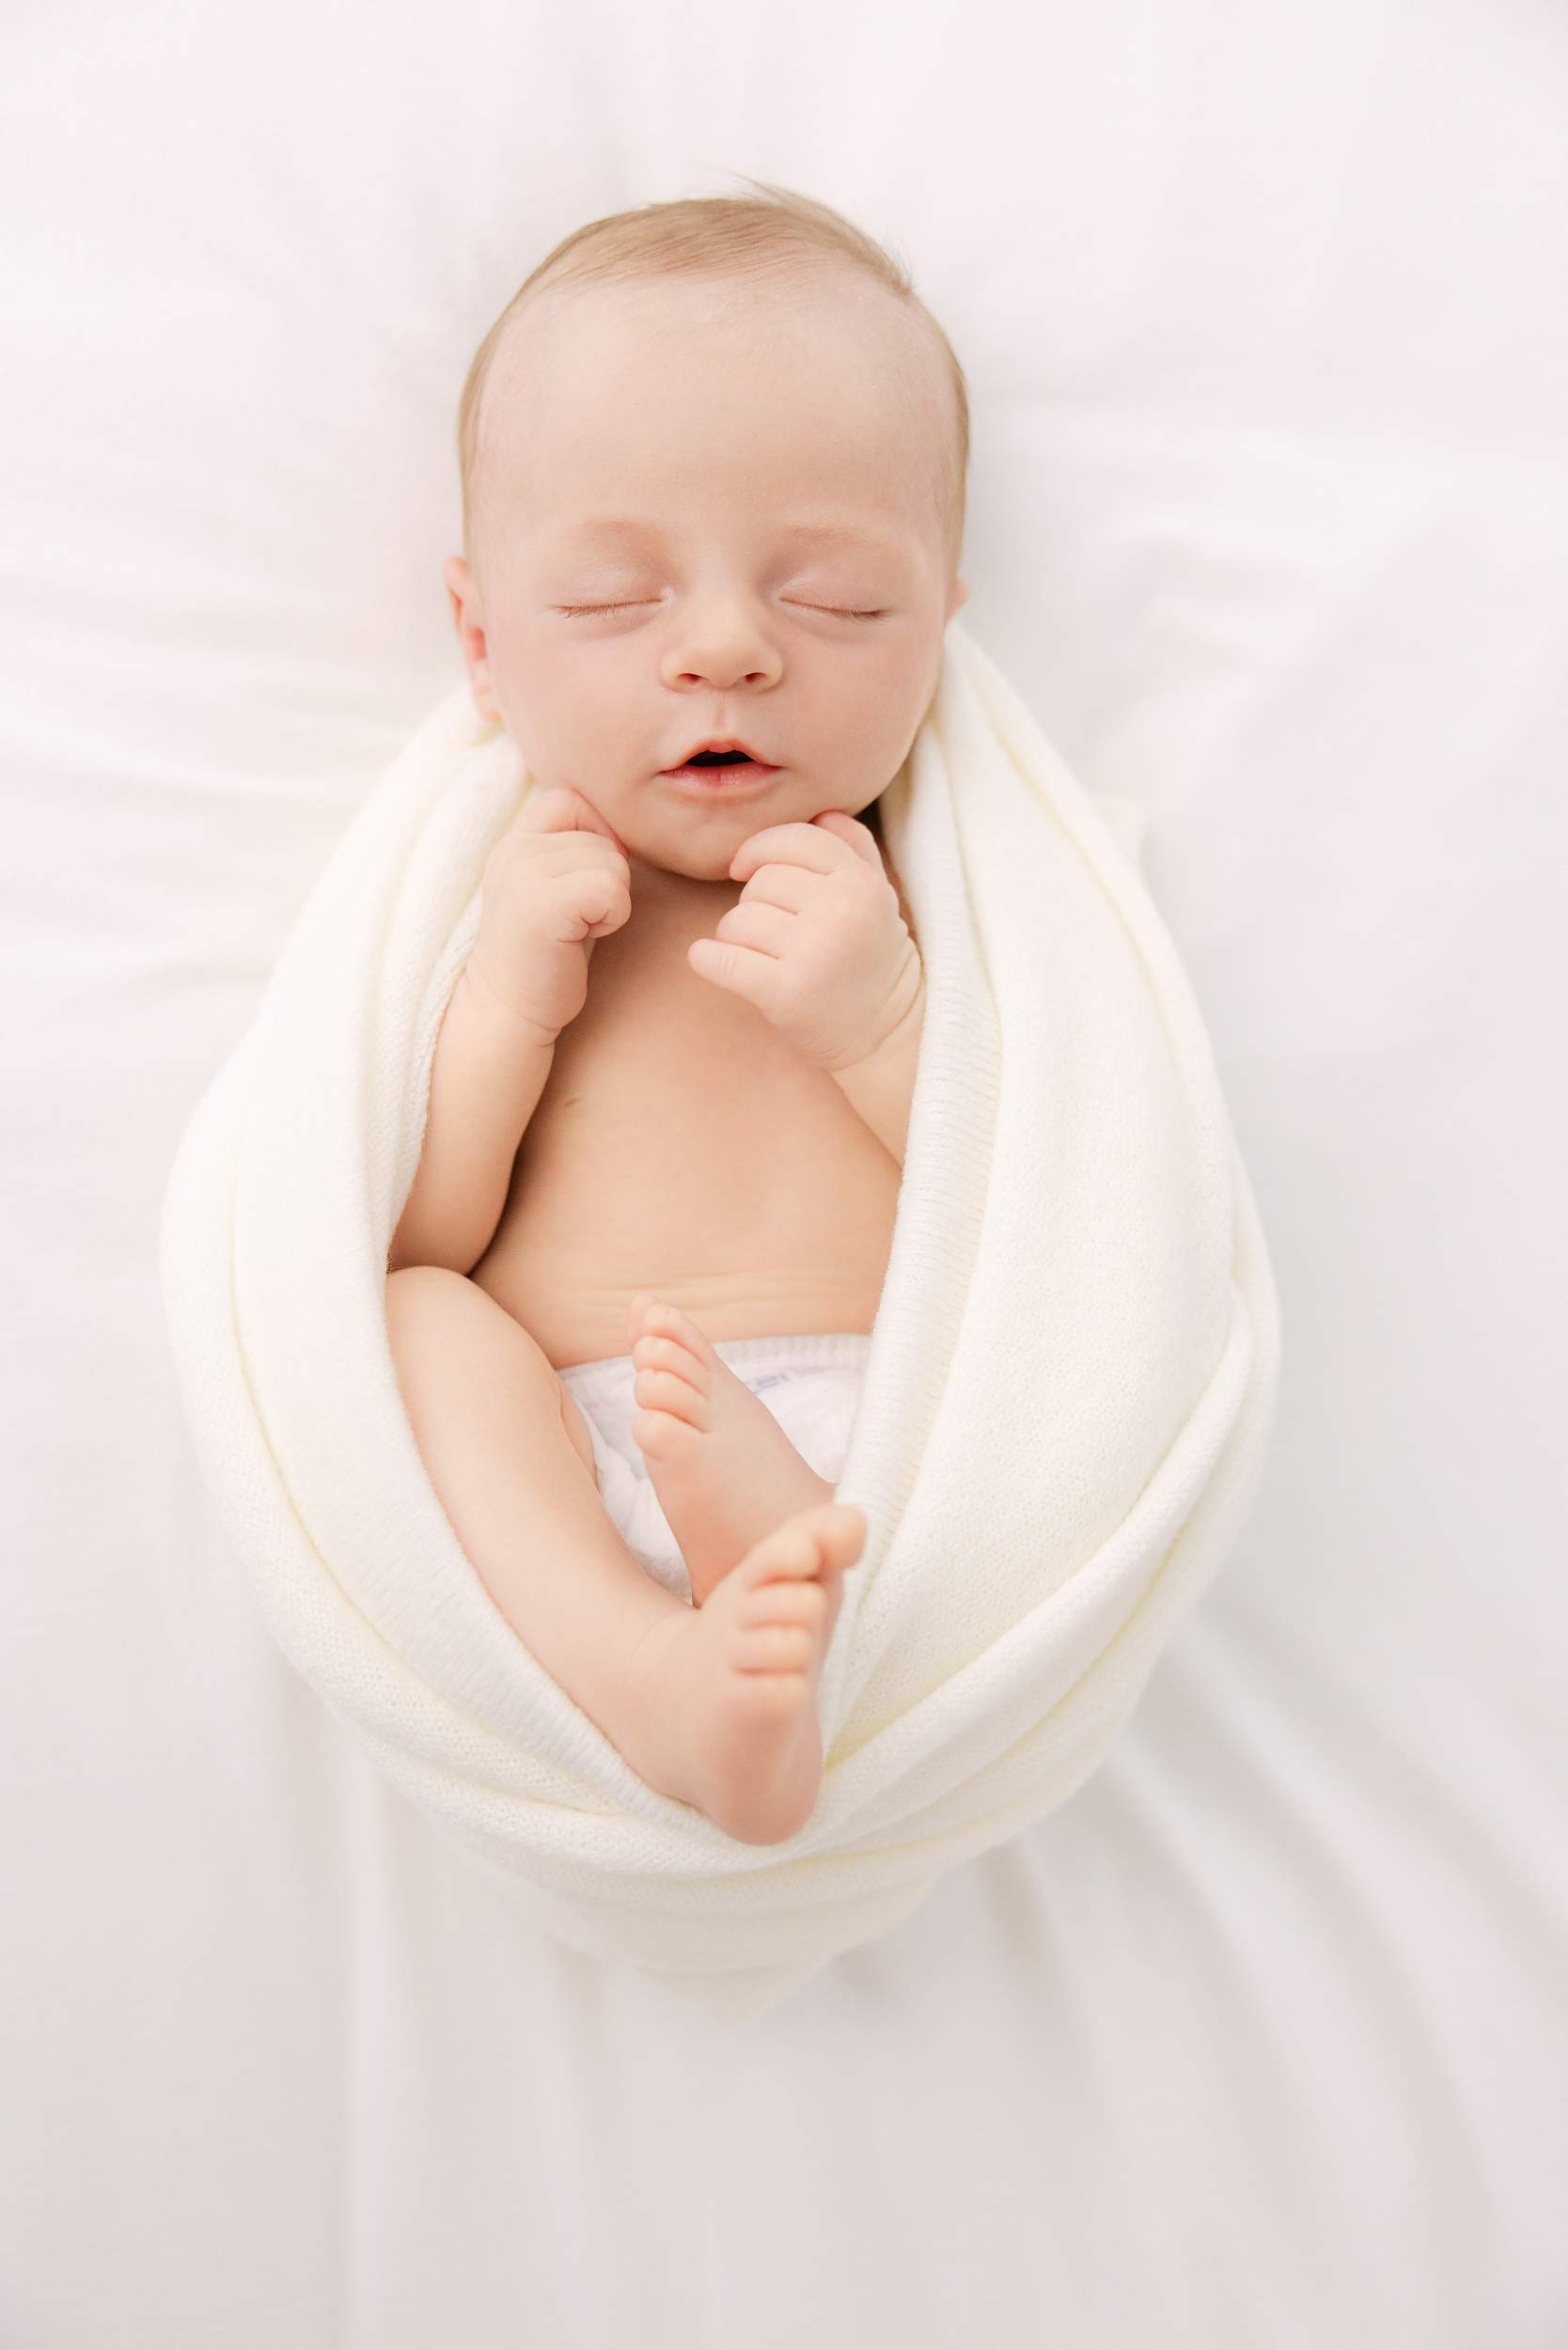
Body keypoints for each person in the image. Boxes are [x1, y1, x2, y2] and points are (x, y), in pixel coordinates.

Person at [384, 182, 969, 1845]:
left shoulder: (930, 895)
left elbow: (1055, 1212)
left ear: (940, 627)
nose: (724, 647)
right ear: (482, 641)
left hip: (891, 1444)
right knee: (425, 1331)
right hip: (563, 1452)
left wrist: (884, 1023)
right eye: (614, 603)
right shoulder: (512, 893)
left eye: (836, 601)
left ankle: (762, 1584)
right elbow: (420, 1234)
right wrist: (510, 992)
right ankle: (651, 1673)